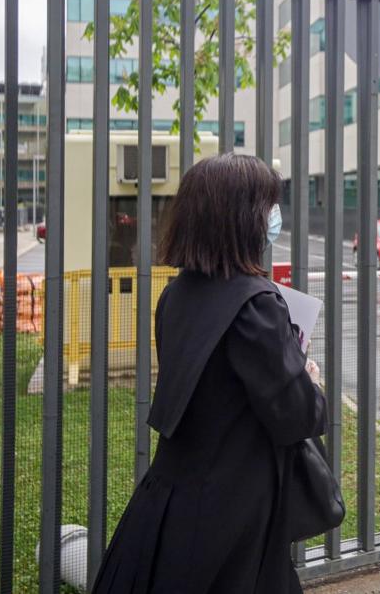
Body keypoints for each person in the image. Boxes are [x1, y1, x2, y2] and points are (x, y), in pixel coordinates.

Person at [92, 153, 326, 593]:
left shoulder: (176, 295)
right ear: (242, 218)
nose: (273, 217)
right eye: (267, 205)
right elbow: (297, 415)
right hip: (234, 514)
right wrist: (306, 376)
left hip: (171, 502)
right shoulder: (256, 304)